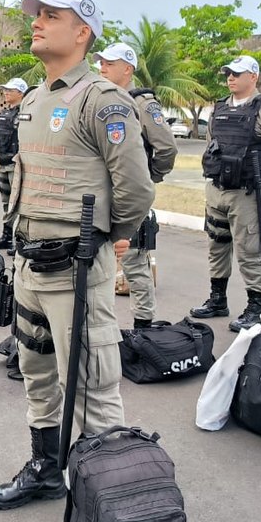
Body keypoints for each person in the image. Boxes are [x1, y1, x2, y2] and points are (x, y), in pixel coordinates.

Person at [0, 0, 154, 511]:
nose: (36, 23)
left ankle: (112, 499)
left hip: (77, 266)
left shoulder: (102, 99)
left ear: (82, 32)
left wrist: (111, 236)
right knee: (37, 373)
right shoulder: (35, 99)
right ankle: (46, 469)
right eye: (36, 15)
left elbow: (136, 188)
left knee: (91, 382)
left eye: (50, 16)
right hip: (31, 263)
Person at [190, 55, 261, 330]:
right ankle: (217, 299)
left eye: (237, 73)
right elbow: (211, 140)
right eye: (228, 73)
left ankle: (254, 308)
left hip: (247, 192)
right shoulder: (220, 108)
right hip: (217, 189)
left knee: (250, 250)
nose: (231, 77)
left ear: (254, 77)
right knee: (216, 244)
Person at [94, 42, 179, 328]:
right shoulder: (99, 98)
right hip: (99, 192)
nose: (102, 68)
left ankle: (143, 326)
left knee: (133, 260)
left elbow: (166, 148)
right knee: (97, 260)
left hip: (128, 196)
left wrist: (146, 178)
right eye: (101, 63)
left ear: (127, 69)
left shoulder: (143, 103)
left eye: (109, 63)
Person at [0, 77, 27, 251]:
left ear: (20, 92)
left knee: (17, 203)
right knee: (6, 202)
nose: (6, 93)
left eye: (10, 90)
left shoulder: (25, 114)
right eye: (5, 90)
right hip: (3, 163)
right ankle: (6, 236)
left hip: (16, 164)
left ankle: (18, 239)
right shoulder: (4, 113)